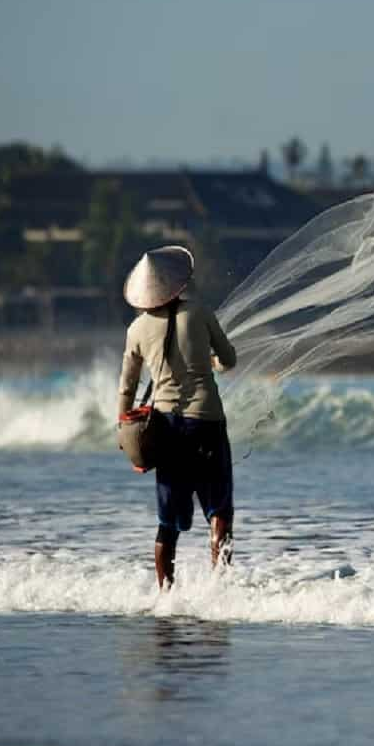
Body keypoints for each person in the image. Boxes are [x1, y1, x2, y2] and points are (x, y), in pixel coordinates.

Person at [117, 245, 239, 589]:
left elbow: (126, 388)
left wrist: (121, 428)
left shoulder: (137, 330)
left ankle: (166, 596)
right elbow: (228, 359)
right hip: (208, 420)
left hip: (166, 427)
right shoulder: (199, 312)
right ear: (176, 283)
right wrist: (209, 364)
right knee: (219, 512)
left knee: (167, 522)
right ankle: (220, 590)